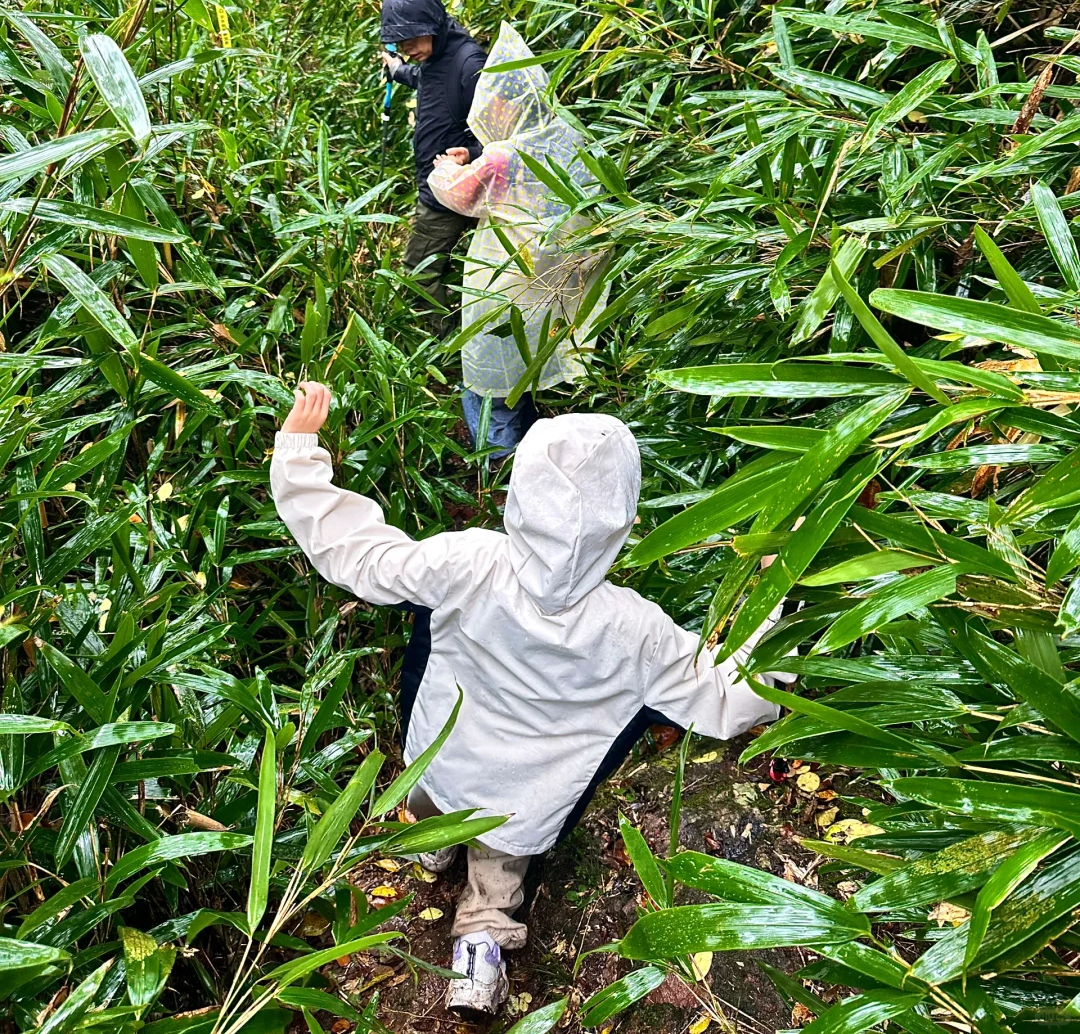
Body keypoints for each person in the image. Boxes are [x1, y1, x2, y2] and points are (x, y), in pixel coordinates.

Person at [272, 382, 788, 1017]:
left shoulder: (470, 563)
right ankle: (480, 952)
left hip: (445, 751)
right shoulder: (637, 631)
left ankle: (430, 849)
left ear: (519, 497)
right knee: (501, 866)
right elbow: (730, 699)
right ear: (623, 521)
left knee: (428, 799)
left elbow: (359, 556)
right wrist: (774, 603)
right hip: (527, 797)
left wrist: (299, 453)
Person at [427, 23, 605, 457]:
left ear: (511, 103)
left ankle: (501, 472)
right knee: (538, 362)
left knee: (494, 372)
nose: (494, 111)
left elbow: (460, 194)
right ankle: (546, 459)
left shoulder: (504, 155)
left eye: (498, 102)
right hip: (562, 275)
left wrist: (446, 168)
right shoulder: (568, 134)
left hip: (511, 278)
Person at [379, 0, 487, 336]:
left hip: (453, 191)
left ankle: (449, 346)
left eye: (412, 40)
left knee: (419, 271)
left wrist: (471, 154)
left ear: (433, 25)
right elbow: (428, 80)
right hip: (442, 186)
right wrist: (398, 71)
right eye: (401, 43)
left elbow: (505, 134)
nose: (408, 50)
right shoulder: (437, 55)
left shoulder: (469, 63)